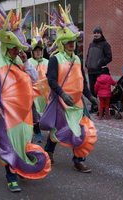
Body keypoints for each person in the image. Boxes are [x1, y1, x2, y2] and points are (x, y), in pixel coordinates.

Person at [0, 7, 51, 192]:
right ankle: (11, 176)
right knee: (8, 143)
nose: (16, 50)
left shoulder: (21, 62)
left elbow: (35, 79)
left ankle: (20, 166)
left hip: (25, 113)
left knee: (22, 141)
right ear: (6, 45)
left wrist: (26, 61)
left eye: (19, 47)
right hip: (5, 112)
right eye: (14, 47)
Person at [43, 4, 98, 173]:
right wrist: (62, 94)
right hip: (62, 102)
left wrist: (90, 96)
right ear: (62, 42)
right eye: (68, 41)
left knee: (81, 130)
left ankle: (78, 160)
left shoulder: (78, 59)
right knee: (58, 131)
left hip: (78, 103)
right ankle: (48, 152)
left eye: (73, 41)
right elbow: (51, 80)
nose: (72, 44)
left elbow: (83, 82)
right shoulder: (55, 59)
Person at [28, 23, 49, 143]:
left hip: (45, 93)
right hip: (34, 92)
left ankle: (47, 129)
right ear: (33, 52)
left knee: (46, 112)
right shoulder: (29, 62)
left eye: (40, 51)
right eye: (36, 51)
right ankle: (38, 132)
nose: (38, 52)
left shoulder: (47, 61)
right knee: (35, 114)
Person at [85, 26, 112, 113]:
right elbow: (88, 55)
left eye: (98, 33)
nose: (96, 34)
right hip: (91, 70)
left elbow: (109, 57)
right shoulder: (91, 44)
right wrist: (87, 63)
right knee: (92, 89)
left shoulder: (105, 44)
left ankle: (103, 107)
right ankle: (94, 106)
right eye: (95, 33)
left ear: (101, 34)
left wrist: (100, 64)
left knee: (100, 89)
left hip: (99, 71)